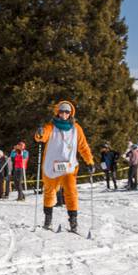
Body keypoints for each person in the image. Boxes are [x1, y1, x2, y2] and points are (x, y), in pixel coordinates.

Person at [34, 99, 95, 232]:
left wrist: (89, 161)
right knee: (49, 192)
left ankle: (73, 222)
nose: (64, 114)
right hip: (51, 166)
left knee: (71, 191)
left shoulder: (76, 129)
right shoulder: (50, 126)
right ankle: (48, 220)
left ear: (70, 113)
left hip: (68, 166)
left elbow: (83, 146)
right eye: (61, 111)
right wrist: (40, 133)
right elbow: (41, 137)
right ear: (57, 112)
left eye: (67, 111)